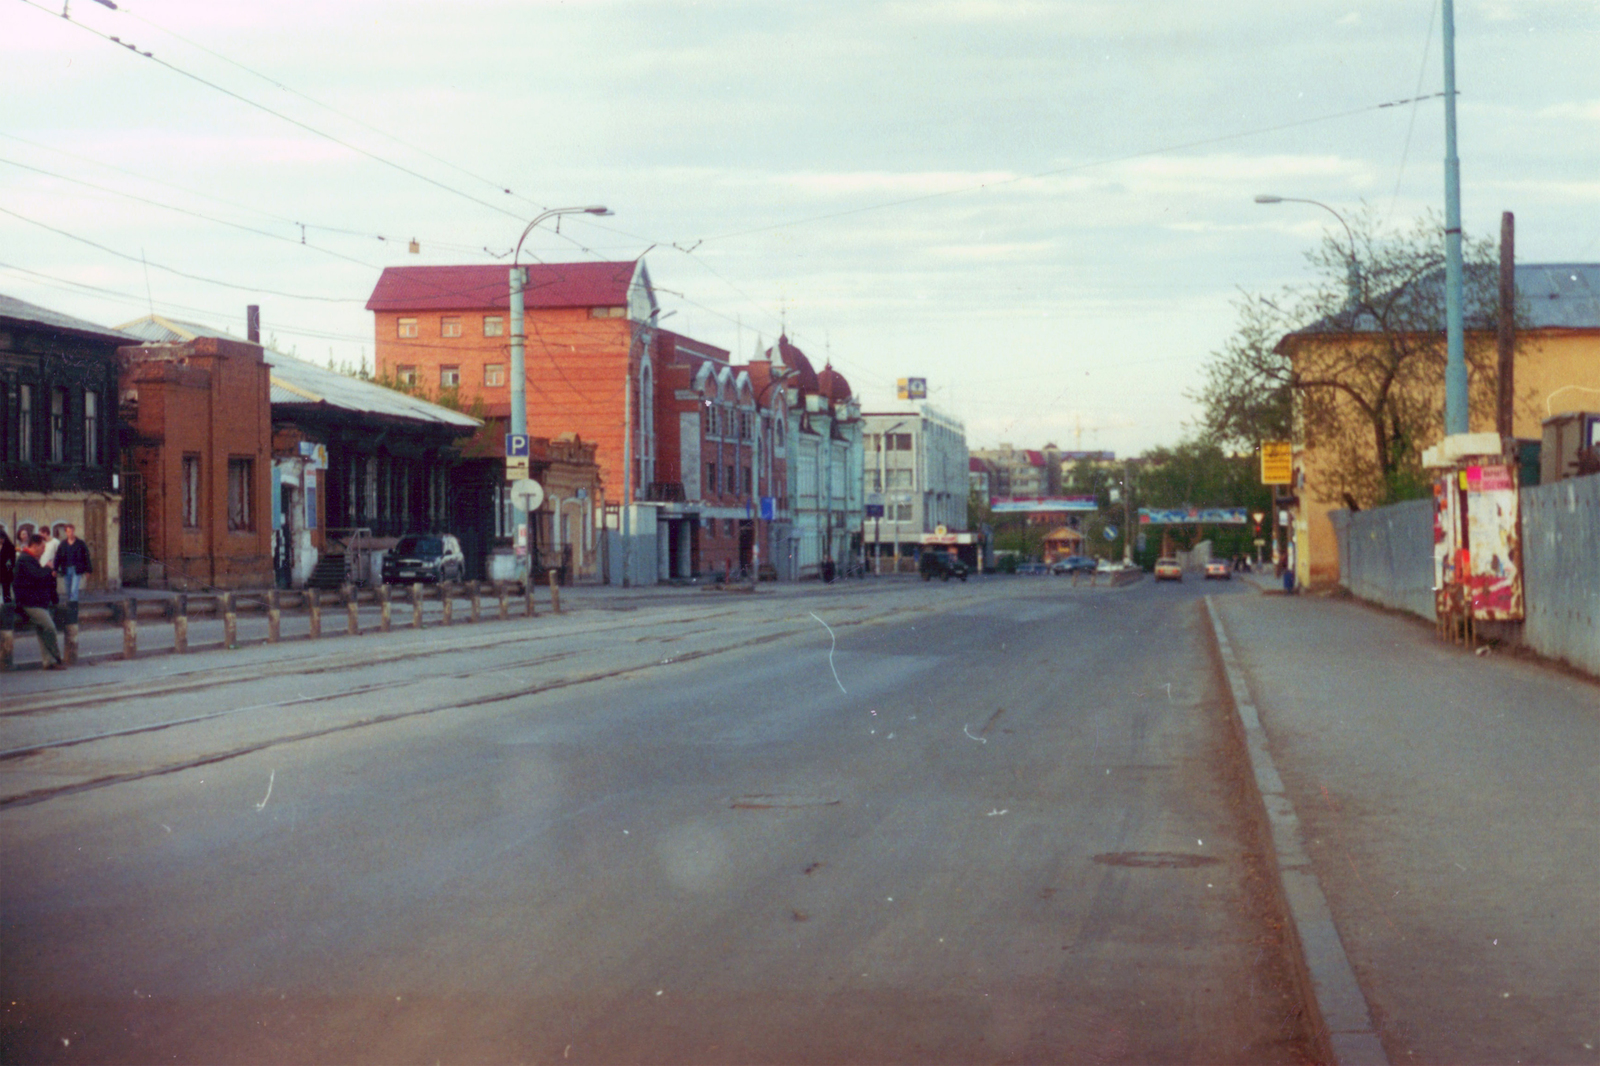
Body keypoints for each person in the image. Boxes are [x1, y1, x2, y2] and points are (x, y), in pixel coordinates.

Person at [15, 533, 65, 670]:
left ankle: (48, 662)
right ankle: (56, 659)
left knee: (43, 631)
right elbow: (37, 577)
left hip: (36, 602)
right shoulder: (25, 560)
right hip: (30, 604)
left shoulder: (30, 559)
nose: (44, 550)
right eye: (42, 547)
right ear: (35, 546)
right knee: (49, 628)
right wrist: (48, 569)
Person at [57, 523, 92, 604]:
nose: (70, 533)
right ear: (66, 532)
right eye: (68, 531)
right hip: (66, 569)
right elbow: (58, 557)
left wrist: (88, 570)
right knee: (68, 589)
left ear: (74, 531)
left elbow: (86, 556)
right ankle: (71, 606)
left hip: (77, 569)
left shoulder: (80, 543)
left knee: (74, 589)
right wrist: (55, 569)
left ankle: (73, 606)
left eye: (72, 531)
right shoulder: (63, 544)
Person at [0, 527, 15, 605]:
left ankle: (7, 606)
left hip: (6, 572)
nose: (1, 540)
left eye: (2, 538)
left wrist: (10, 567)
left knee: (6, 590)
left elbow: (13, 560)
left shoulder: (10, 546)